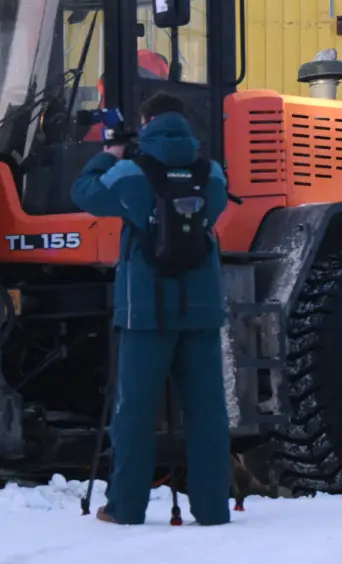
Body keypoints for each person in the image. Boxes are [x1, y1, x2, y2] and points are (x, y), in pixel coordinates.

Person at [71, 93, 230, 527]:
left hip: (146, 311)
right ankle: (213, 509)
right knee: (208, 412)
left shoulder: (131, 173)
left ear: (146, 123)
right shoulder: (210, 172)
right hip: (201, 310)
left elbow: (84, 194)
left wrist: (107, 156)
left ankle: (126, 507)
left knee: (135, 413)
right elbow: (214, 210)